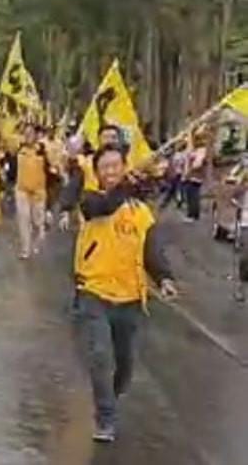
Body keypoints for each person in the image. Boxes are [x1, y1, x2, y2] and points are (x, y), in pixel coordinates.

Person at [75, 144, 177, 443]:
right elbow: (103, 206)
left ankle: (110, 396)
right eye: (104, 167)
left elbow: (152, 250)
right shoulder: (91, 200)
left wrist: (165, 278)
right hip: (94, 291)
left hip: (130, 297)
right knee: (99, 355)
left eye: (115, 166)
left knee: (125, 365)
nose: (110, 172)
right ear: (97, 172)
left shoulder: (140, 212)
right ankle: (105, 417)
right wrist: (124, 188)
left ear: (124, 167)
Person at [15, 124, 49, 259]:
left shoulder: (42, 150)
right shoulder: (19, 149)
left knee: (37, 222)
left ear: (36, 135)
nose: (28, 135)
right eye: (26, 133)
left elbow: (50, 169)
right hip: (22, 190)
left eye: (31, 133)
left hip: (38, 191)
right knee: (23, 219)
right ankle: (25, 249)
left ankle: (37, 241)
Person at [182, 131, 208, 223]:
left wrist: (188, 172)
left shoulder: (201, 150)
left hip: (195, 176)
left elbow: (198, 164)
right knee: (190, 195)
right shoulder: (196, 150)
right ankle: (192, 214)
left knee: (193, 195)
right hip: (192, 175)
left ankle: (193, 214)